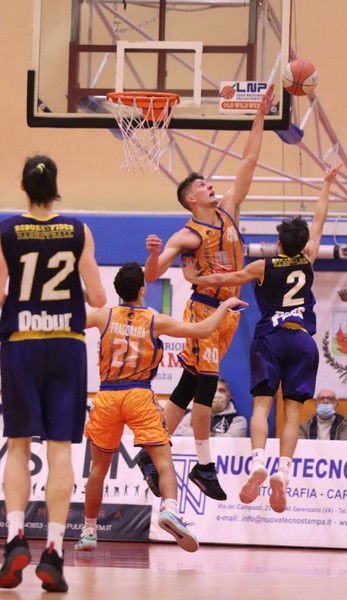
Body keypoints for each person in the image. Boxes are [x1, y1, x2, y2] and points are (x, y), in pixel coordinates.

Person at [136, 84, 276, 501]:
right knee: (206, 385)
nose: (210, 185)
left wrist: (259, 116)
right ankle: (203, 465)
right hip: (204, 312)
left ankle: (149, 452)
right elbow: (152, 275)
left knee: (190, 381)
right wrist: (154, 254)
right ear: (190, 199)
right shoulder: (188, 234)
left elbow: (249, 159)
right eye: (201, 184)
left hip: (228, 313)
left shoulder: (229, 209)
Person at [181, 164, 342, 513]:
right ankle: (283, 471)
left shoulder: (262, 267)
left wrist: (195, 278)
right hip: (302, 341)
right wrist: (326, 185)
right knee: (292, 413)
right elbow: (319, 220)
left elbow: (226, 279)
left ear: (279, 244)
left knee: (261, 406)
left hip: (270, 338)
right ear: (302, 245)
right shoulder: (309, 259)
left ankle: (258, 462)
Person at [74, 262, 247, 553]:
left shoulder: (103, 316)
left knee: (98, 471)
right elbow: (202, 329)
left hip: (107, 397)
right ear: (142, 289)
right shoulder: (154, 320)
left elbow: (69, 320)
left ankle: (89, 531)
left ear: (118, 291)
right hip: (139, 395)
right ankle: (169, 509)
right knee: (163, 462)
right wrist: (225, 305)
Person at [0, 155, 106, 592]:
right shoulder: (78, 230)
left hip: (21, 343)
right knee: (60, 449)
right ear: (55, 187)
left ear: (23, 188)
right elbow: (97, 297)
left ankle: (15, 539)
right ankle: (55, 552)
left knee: (18, 444)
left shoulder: (7, 230)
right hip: (66, 345)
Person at [174, 377, 247, 437]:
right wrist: (216, 435)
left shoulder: (238, 420)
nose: (217, 394)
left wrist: (195, 432)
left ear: (229, 396)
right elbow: (177, 431)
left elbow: (229, 441)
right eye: (213, 390)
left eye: (222, 391)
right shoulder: (193, 415)